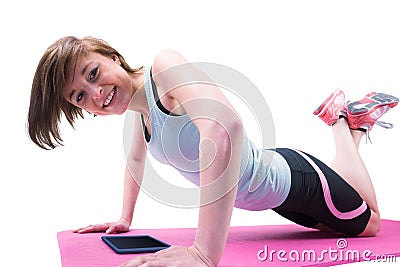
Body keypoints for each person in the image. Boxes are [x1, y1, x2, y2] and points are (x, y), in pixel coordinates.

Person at [27, 36, 398, 267]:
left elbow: (225, 128)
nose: (96, 94)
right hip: (274, 199)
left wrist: (204, 253)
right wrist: (124, 219)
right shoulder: (139, 116)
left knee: (371, 225)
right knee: (344, 215)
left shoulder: (164, 68)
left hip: (294, 180)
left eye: (92, 73)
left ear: (110, 56)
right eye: (80, 96)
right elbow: (136, 161)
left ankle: (342, 124)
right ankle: (351, 123)